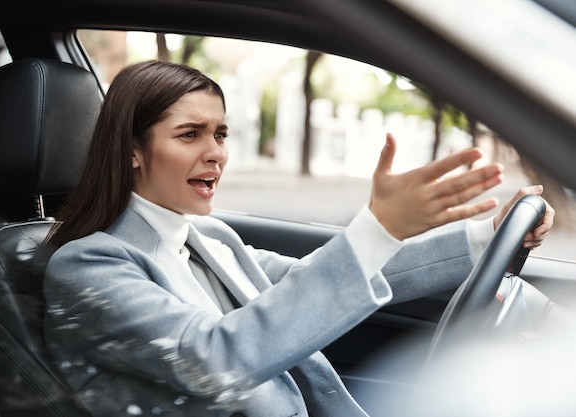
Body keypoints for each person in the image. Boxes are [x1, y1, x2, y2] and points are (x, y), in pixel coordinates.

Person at [42, 60, 554, 417]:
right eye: (189, 133)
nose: (217, 152)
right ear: (132, 150)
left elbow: (317, 282)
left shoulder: (209, 237)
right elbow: (214, 359)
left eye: (221, 133)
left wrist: (487, 236)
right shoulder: (89, 266)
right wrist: (378, 227)